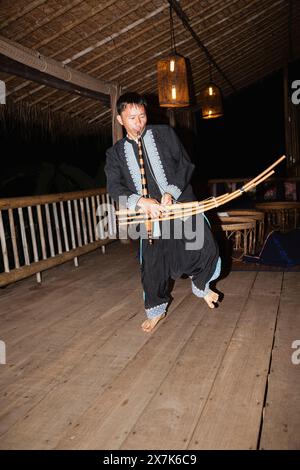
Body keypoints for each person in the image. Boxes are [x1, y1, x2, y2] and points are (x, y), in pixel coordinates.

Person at [105, 92, 220, 333]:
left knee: (203, 243)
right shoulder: (115, 153)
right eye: (132, 118)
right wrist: (140, 201)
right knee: (153, 263)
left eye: (142, 116)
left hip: (179, 203)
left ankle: (203, 286)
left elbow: (185, 164)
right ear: (119, 120)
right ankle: (156, 309)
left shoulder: (164, 134)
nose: (139, 123)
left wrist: (171, 192)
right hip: (149, 216)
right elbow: (114, 188)